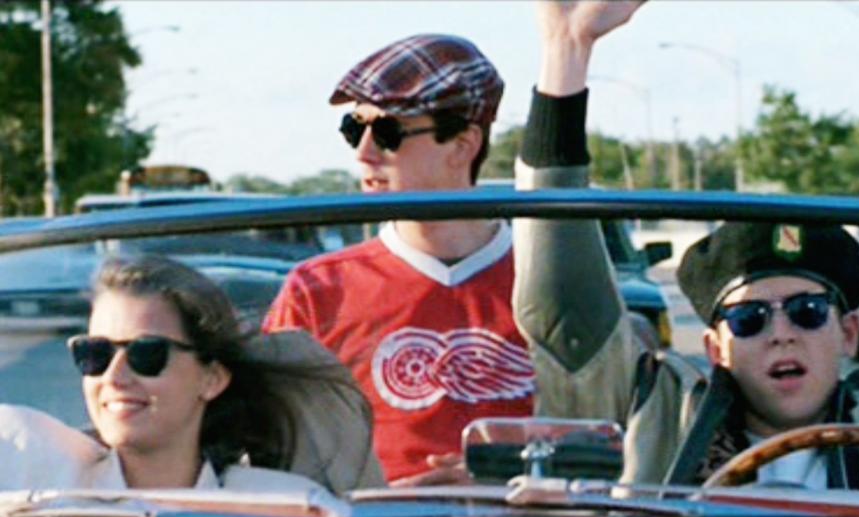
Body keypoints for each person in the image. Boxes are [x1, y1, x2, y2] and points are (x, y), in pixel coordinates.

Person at [512, 0, 859, 493]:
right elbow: (564, 308)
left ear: (849, 332)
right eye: (749, 320)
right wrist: (566, 48)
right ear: (715, 349)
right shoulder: (664, 418)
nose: (782, 334)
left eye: (808, 311)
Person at [264, 34, 535, 485]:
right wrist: (384, 497)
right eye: (354, 129)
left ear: (463, 146)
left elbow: (604, 432)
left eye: (388, 132)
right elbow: (273, 455)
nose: (363, 152)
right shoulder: (317, 290)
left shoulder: (545, 283)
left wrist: (505, 479)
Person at [0, 255, 383, 492]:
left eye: (147, 353)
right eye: (94, 353)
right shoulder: (38, 490)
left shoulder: (282, 510)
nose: (114, 377)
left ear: (212, 379)